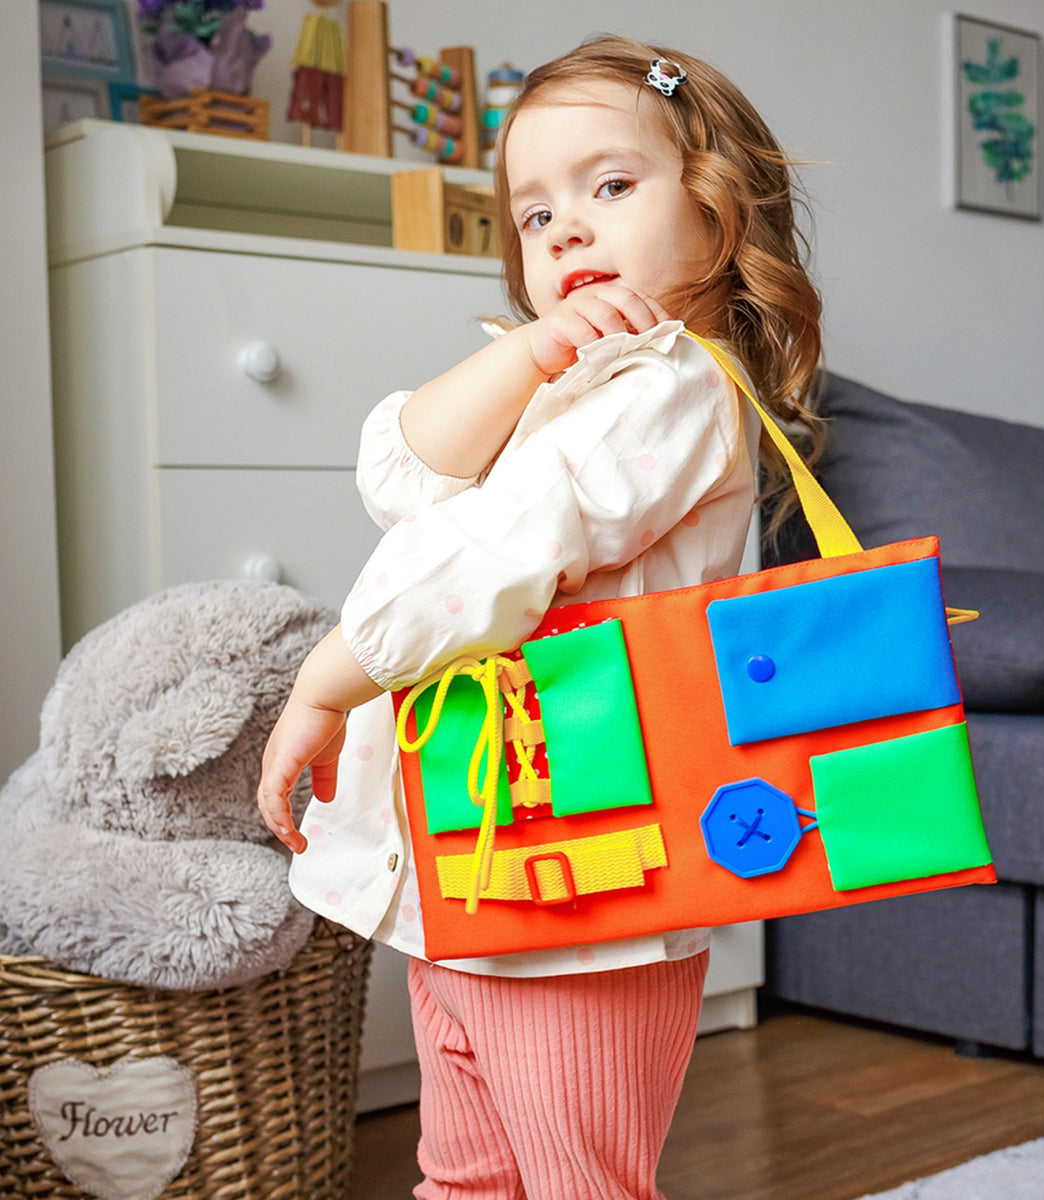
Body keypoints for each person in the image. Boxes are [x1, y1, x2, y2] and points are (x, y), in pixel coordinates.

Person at [257, 34, 822, 1200]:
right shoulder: (564, 388)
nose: (565, 228)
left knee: (579, 1180)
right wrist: (521, 361)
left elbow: (498, 549)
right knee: (465, 1173)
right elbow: (402, 475)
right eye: (534, 213)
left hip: (584, 879)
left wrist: (327, 679)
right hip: (471, 850)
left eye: (610, 187)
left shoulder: (675, 389)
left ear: (718, 215)